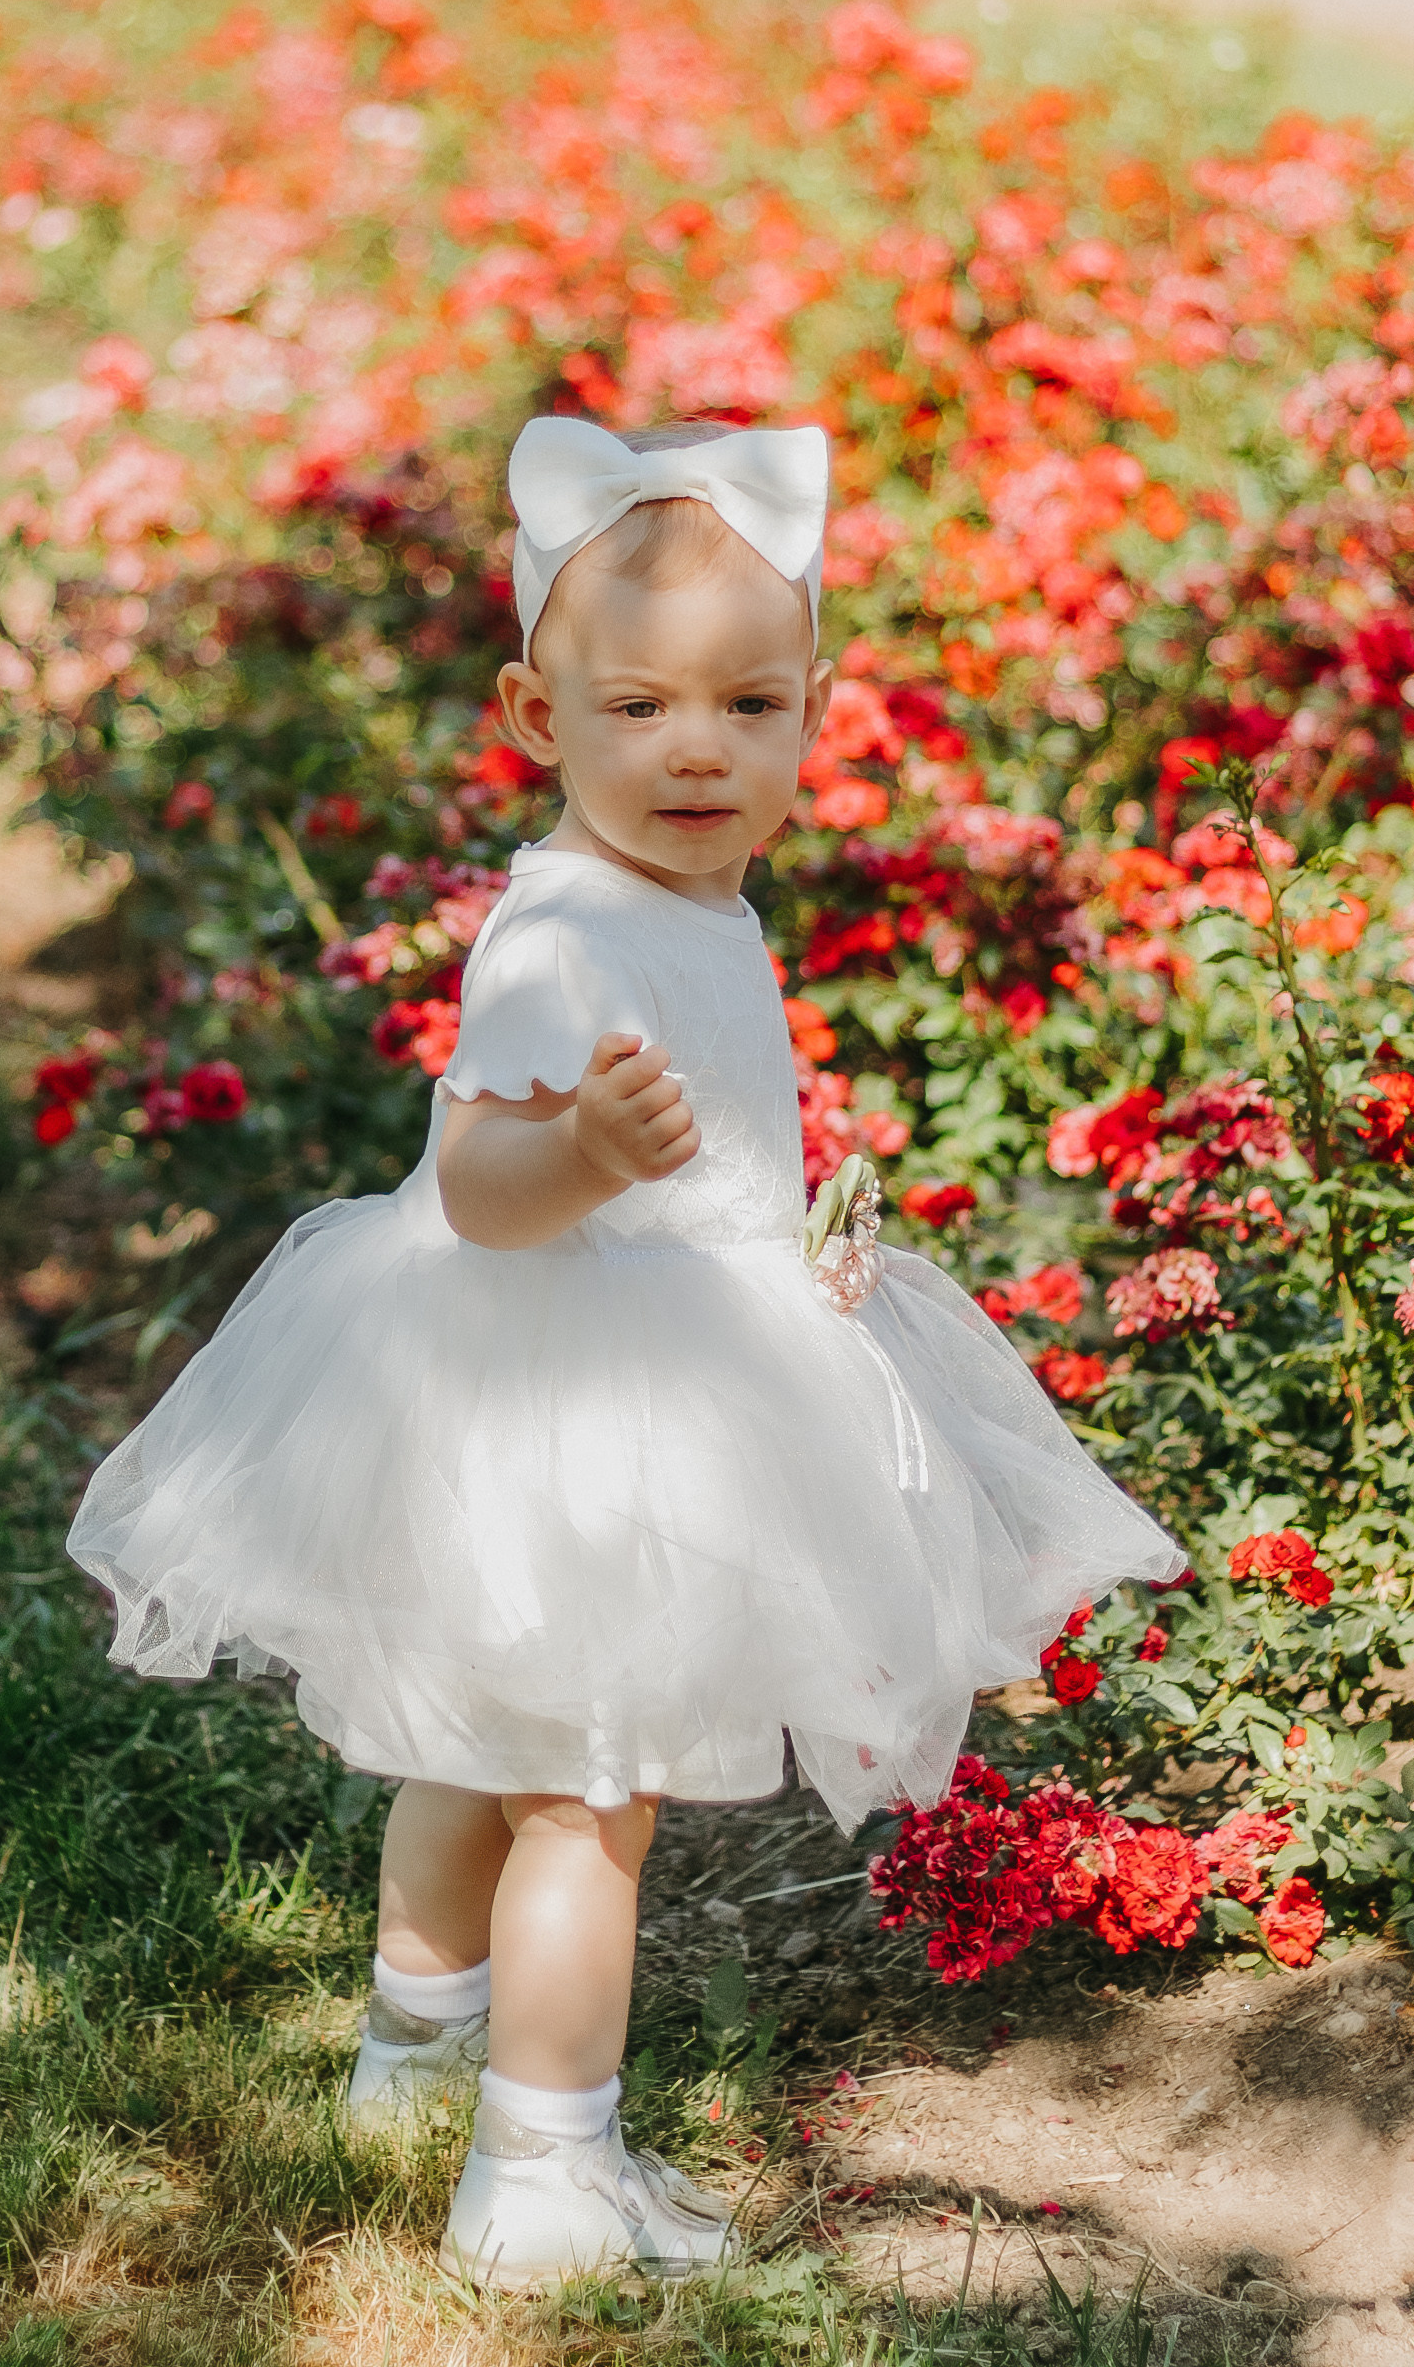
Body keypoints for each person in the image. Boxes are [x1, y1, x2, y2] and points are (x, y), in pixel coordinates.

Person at [67, 416, 1183, 2289]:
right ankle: (544, 2177)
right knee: (591, 1794)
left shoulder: (687, 901)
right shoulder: (560, 938)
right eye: (641, 704)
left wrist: (769, 1237)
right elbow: (480, 1185)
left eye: (750, 705)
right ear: (536, 713)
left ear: (813, 712)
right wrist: (578, 1151)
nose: (696, 748)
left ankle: (412, 2059)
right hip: (578, 1412)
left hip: (613, 1383)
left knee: (470, 1745)